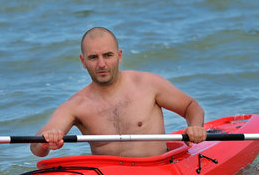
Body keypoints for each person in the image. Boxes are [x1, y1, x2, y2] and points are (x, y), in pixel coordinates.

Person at [30, 27, 207, 158]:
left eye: (108, 55)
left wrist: (196, 127)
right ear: (83, 61)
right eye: (93, 57)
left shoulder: (148, 84)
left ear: (119, 56)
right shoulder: (76, 106)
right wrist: (46, 142)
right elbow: (36, 146)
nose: (101, 64)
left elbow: (191, 106)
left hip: (158, 169)